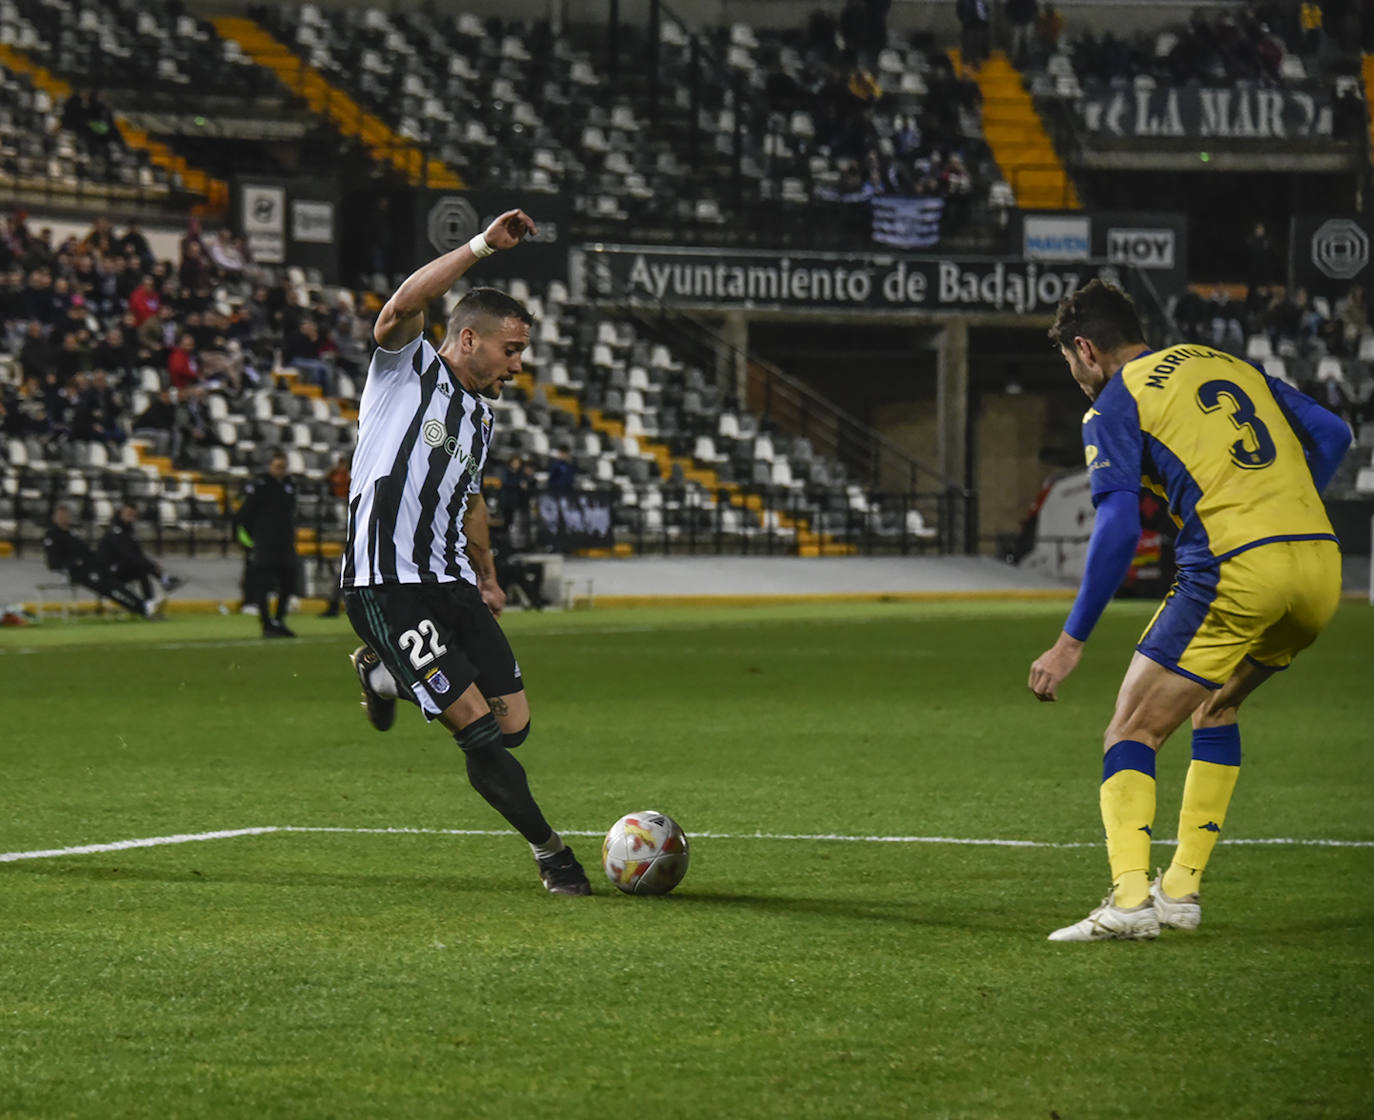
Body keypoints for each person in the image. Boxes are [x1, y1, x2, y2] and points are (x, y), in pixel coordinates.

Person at [1029, 280, 1352, 942]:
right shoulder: (1226, 363)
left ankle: (1127, 904)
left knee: (1130, 731)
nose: (1075, 379)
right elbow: (1334, 432)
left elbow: (1117, 528)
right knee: (1218, 705)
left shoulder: (1117, 401)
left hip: (1237, 568)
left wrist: (1071, 641)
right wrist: (1282, 506)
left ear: (1086, 349)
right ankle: (1178, 892)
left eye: (1070, 364)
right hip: (1319, 568)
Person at [342, 207, 592, 896]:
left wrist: (487, 574)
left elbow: (469, 500)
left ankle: (384, 674)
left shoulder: (480, 416)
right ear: (469, 338)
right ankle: (553, 855)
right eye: (511, 350)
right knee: (478, 731)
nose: (519, 365)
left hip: (451, 582)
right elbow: (403, 303)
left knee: (514, 723)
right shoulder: (405, 370)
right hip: (386, 583)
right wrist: (481, 245)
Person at [44, 505, 159, 618]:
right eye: (61, 516)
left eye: (66, 516)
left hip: (92, 567)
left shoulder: (72, 534)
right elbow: (54, 562)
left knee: (124, 578)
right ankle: (141, 608)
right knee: (109, 587)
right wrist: (75, 563)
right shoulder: (52, 536)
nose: (64, 519)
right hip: (77, 572)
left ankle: (147, 603)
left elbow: (88, 553)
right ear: (54, 517)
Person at [234, 450, 300, 637]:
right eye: (277, 466)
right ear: (270, 466)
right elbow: (245, 515)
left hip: (285, 543)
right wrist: (250, 541)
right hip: (265, 543)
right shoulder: (260, 486)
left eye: (283, 467)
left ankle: (278, 620)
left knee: (288, 584)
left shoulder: (289, 485)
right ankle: (267, 622)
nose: (280, 470)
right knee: (263, 585)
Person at [95, 503, 182, 603]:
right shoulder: (116, 532)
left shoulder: (128, 531)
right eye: (128, 514)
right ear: (120, 514)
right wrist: (150, 565)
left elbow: (137, 553)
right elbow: (127, 555)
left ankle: (152, 597)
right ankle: (162, 583)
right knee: (141, 567)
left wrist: (150, 565)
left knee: (142, 569)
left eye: (133, 515)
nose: (131, 518)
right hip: (109, 570)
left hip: (119, 567)